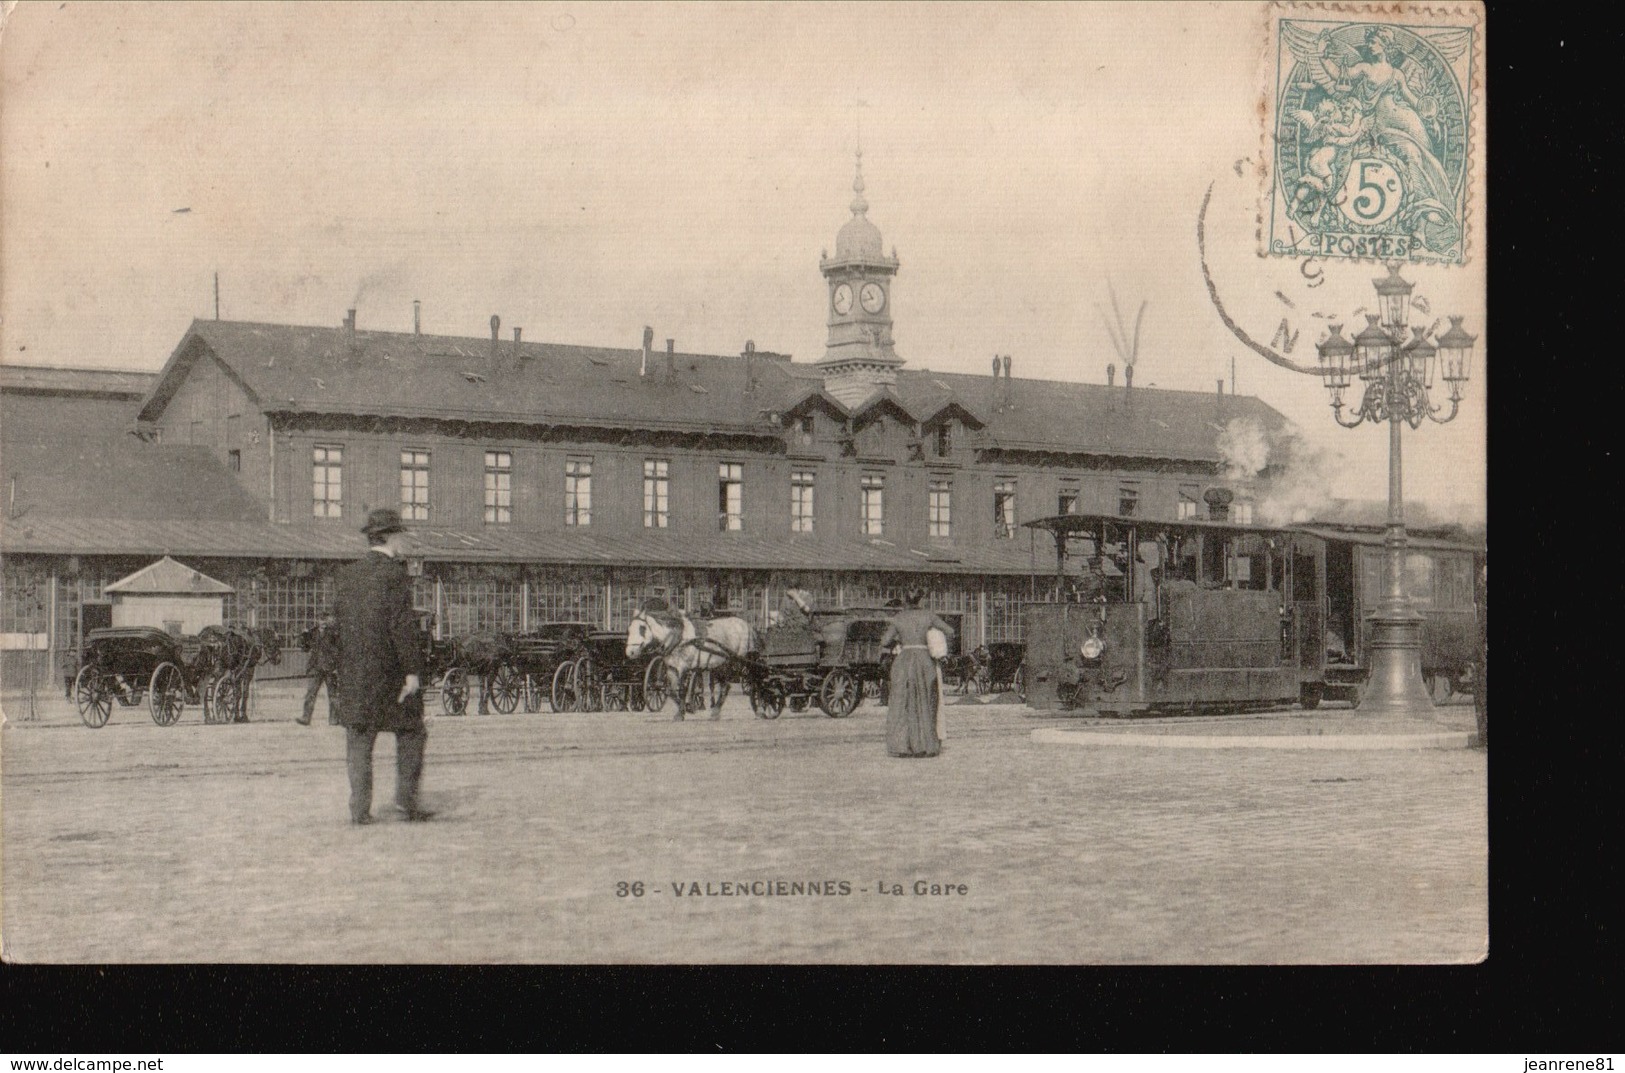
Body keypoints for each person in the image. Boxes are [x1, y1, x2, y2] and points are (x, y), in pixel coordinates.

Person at [332, 508, 430, 825]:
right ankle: (405, 801)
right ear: (390, 537)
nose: (404, 541)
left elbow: (339, 626)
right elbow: (401, 626)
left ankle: (359, 810)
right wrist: (412, 671)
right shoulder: (394, 575)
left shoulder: (348, 575)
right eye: (401, 534)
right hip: (389, 676)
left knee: (359, 738)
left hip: (355, 674)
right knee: (412, 731)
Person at [878, 589, 955, 758]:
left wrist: (900, 641)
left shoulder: (898, 618)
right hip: (924, 660)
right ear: (921, 601)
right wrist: (935, 640)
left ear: (905, 601)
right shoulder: (929, 616)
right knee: (926, 701)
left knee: (902, 703)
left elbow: (884, 641)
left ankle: (902, 746)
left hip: (903, 661)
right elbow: (949, 631)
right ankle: (926, 745)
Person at [296, 612, 339, 726]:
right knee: (311, 693)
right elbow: (305, 648)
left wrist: (337, 667)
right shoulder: (312, 633)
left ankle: (334, 719)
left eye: (325, 620)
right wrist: (303, 637)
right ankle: (306, 717)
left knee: (333, 695)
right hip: (316, 668)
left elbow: (339, 651)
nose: (323, 622)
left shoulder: (334, 634)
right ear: (317, 621)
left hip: (330, 668)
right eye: (321, 619)